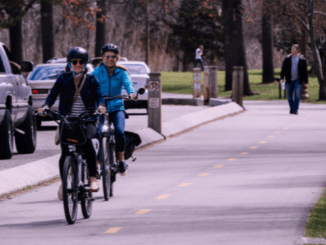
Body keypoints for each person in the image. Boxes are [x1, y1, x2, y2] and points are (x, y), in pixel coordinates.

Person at [38, 47, 106, 200]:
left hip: (87, 118)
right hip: (67, 120)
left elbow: (99, 95)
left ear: (85, 63)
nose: (77, 64)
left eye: (81, 62)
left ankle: (93, 179)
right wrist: (46, 106)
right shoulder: (63, 78)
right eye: (74, 62)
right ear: (69, 63)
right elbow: (53, 94)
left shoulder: (91, 79)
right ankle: (64, 182)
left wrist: (101, 106)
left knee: (88, 142)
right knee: (65, 152)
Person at [92, 43, 136, 176]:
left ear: (117, 58)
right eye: (107, 57)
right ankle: (98, 162)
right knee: (98, 133)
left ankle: (121, 160)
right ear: (102, 58)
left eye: (113, 56)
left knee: (119, 131)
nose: (110, 59)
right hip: (101, 108)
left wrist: (131, 93)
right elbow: (89, 83)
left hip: (117, 107)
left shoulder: (121, 72)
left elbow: (128, 84)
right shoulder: (97, 72)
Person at [280, 44, 308, 115]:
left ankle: (295, 109)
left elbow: (305, 71)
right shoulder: (287, 58)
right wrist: (281, 78)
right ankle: (292, 108)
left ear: (298, 50)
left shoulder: (302, 59)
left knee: (296, 95)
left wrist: (306, 82)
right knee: (289, 96)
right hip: (289, 80)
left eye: (294, 49)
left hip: (298, 80)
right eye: (292, 49)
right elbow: (283, 69)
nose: (293, 50)